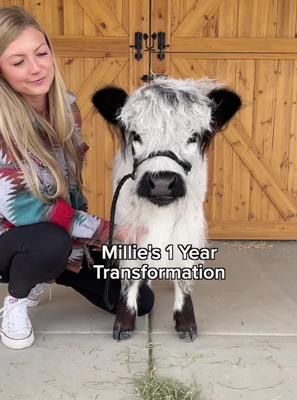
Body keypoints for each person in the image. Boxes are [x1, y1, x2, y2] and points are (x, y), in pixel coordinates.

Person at [0, 7, 154, 350]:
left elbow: (70, 189)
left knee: (139, 301)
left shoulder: (66, 108)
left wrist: (96, 242)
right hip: (12, 239)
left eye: (41, 53)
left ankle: (49, 270)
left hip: (58, 233)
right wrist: (106, 232)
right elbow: (26, 211)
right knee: (49, 242)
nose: (37, 67)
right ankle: (17, 298)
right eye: (18, 61)